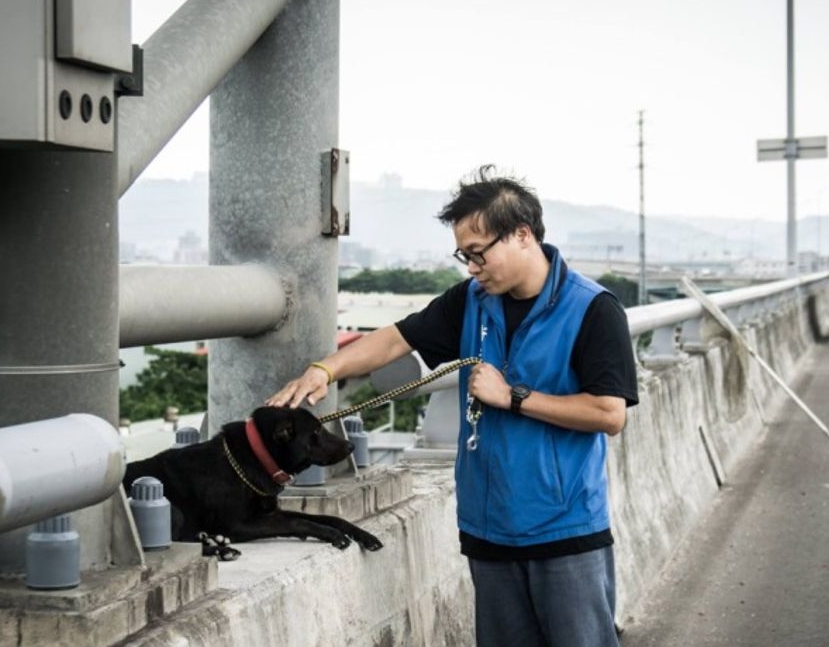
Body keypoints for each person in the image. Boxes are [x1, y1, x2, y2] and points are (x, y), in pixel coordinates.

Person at [267, 166, 638, 646]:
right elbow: (396, 339)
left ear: (522, 235)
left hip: (564, 531)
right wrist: (324, 370)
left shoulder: (592, 308)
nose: (472, 268)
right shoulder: (472, 302)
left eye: (479, 253)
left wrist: (513, 397)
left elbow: (609, 414)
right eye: (464, 255)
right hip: (489, 528)